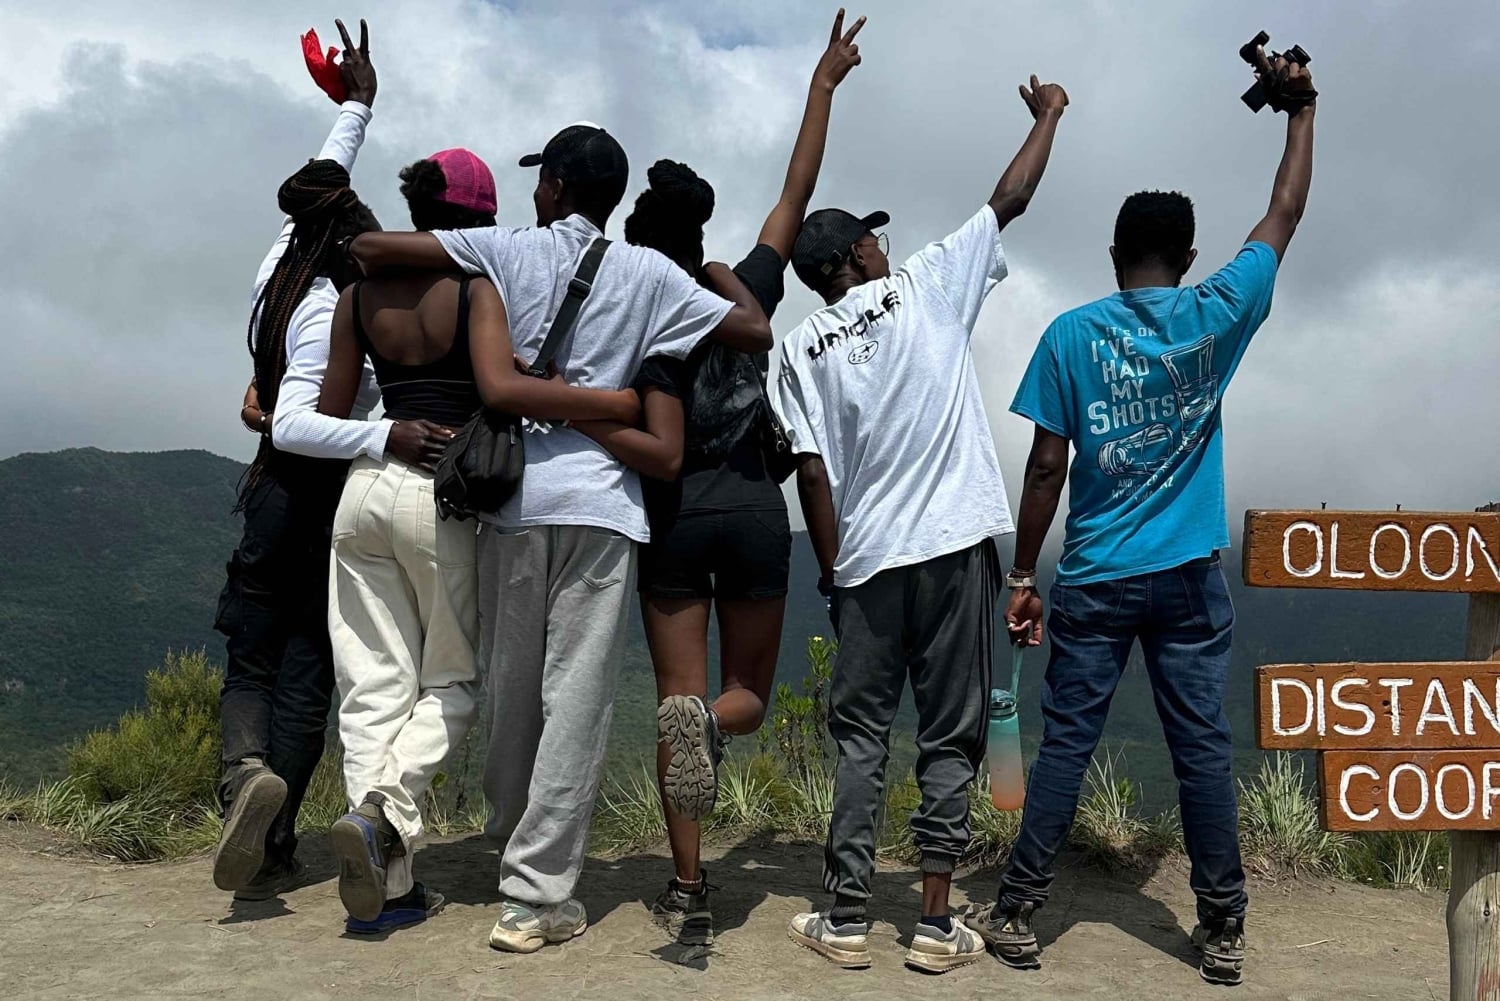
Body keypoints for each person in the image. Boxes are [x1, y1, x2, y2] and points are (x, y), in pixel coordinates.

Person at [350, 122, 772, 953]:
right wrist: (704, 273)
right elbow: (753, 330)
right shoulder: (652, 273)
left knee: (512, 688)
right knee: (574, 694)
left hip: (515, 499)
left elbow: (370, 242)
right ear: (611, 199)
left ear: (552, 190)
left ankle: (515, 849)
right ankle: (537, 896)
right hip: (605, 504)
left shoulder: (506, 250)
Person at [966, 53, 1317, 988]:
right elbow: (1282, 217)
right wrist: (1302, 110)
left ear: (1115, 256)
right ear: (1190, 257)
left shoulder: (1073, 335)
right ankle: (1224, 927)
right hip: (1193, 572)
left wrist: (1023, 574)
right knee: (1201, 747)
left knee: (1066, 744)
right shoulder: (1217, 311)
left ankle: (1016, 910)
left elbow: (1048, 464)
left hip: (1095, 575)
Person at [568, 9, 866, 945]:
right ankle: (709, 721)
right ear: (702, 239)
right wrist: (821, 86)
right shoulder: (745, 291)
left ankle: (689, 887)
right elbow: (796, 187)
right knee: (737, 696)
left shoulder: (627, 314)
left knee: (672, 701)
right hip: (750, 510)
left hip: (667, 514)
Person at [772, 76, 1070, 973]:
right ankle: (938, 924)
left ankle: (846, 914)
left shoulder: (795, 351)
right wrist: (1049, 114)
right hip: (954, 551)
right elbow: (1008, 198)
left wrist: (833, 570)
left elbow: (812, 474)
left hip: (865, 563)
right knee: (952, 732)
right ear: (862, 251)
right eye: (874, 234)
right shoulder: (928, 283)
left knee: (860, 734)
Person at [316, 148, 649, 935]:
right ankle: (385, 809)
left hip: (364, 484)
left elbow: (332, 414)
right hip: (445, 495)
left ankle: (389, 883)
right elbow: (506, 384)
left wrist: (382, 429)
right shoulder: (477, 288)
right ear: (480, 216)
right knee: (455, 681)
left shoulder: (357, 297)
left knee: (372, 687)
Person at [211, 20, 438, 902]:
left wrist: (357, 107)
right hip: (327, 498)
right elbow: (305, 422)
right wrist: (384, 432)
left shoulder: (277, 273)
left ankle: (243, 781)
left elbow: (316, 189)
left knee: (253, 656)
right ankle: (272, 833)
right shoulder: (335, 307)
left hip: (275, 502)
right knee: (308, 670)